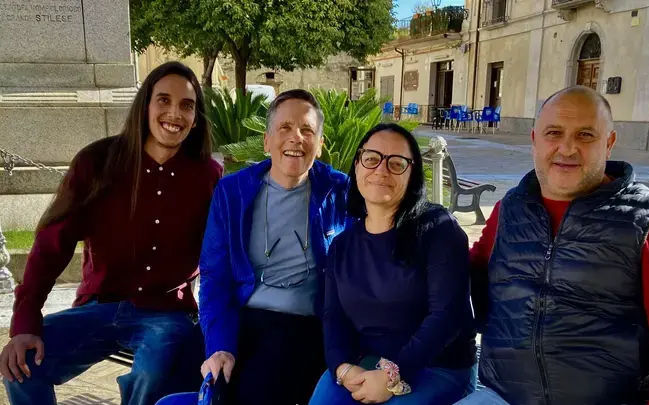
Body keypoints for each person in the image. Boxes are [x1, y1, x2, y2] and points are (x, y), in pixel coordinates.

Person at [457, 86, 649, 405]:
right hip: (503, 396)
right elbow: (465, 281)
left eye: (585, 135)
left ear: (609, 143)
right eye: (554, 133)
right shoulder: (510, 208)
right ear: (535, 140)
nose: (567, 148)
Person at [1, 61, 222, 405]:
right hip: (98, 306)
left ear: (196, 118)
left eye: (187, 105)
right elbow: (51, 246)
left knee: (154, 369)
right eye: (163, 100)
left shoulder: (209, 177)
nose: (174, 113)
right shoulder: (97, 162)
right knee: (21, 364)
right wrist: (26, 322)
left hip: (166, 313)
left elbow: (221, 256)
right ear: (145, 105)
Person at [198, 89, 351, 405]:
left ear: (319, 145)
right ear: (267, 142)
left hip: (312, 325)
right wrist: (220, 347)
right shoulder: (233, 192)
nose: (296, 137)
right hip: (247, 320)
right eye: (285, 128)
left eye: (307, 130)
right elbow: (215, 278)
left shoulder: (340, 191)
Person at [308, 123, 478, 405]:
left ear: (412, 175)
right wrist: (343, 367)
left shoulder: (438, 229)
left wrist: (392, 375)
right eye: (372, 159)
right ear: (358, 166)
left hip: (436, 366)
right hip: (366, 364)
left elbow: (446, 316)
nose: (381, 170)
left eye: (396, 163)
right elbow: (333, 318)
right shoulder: (342, 245)